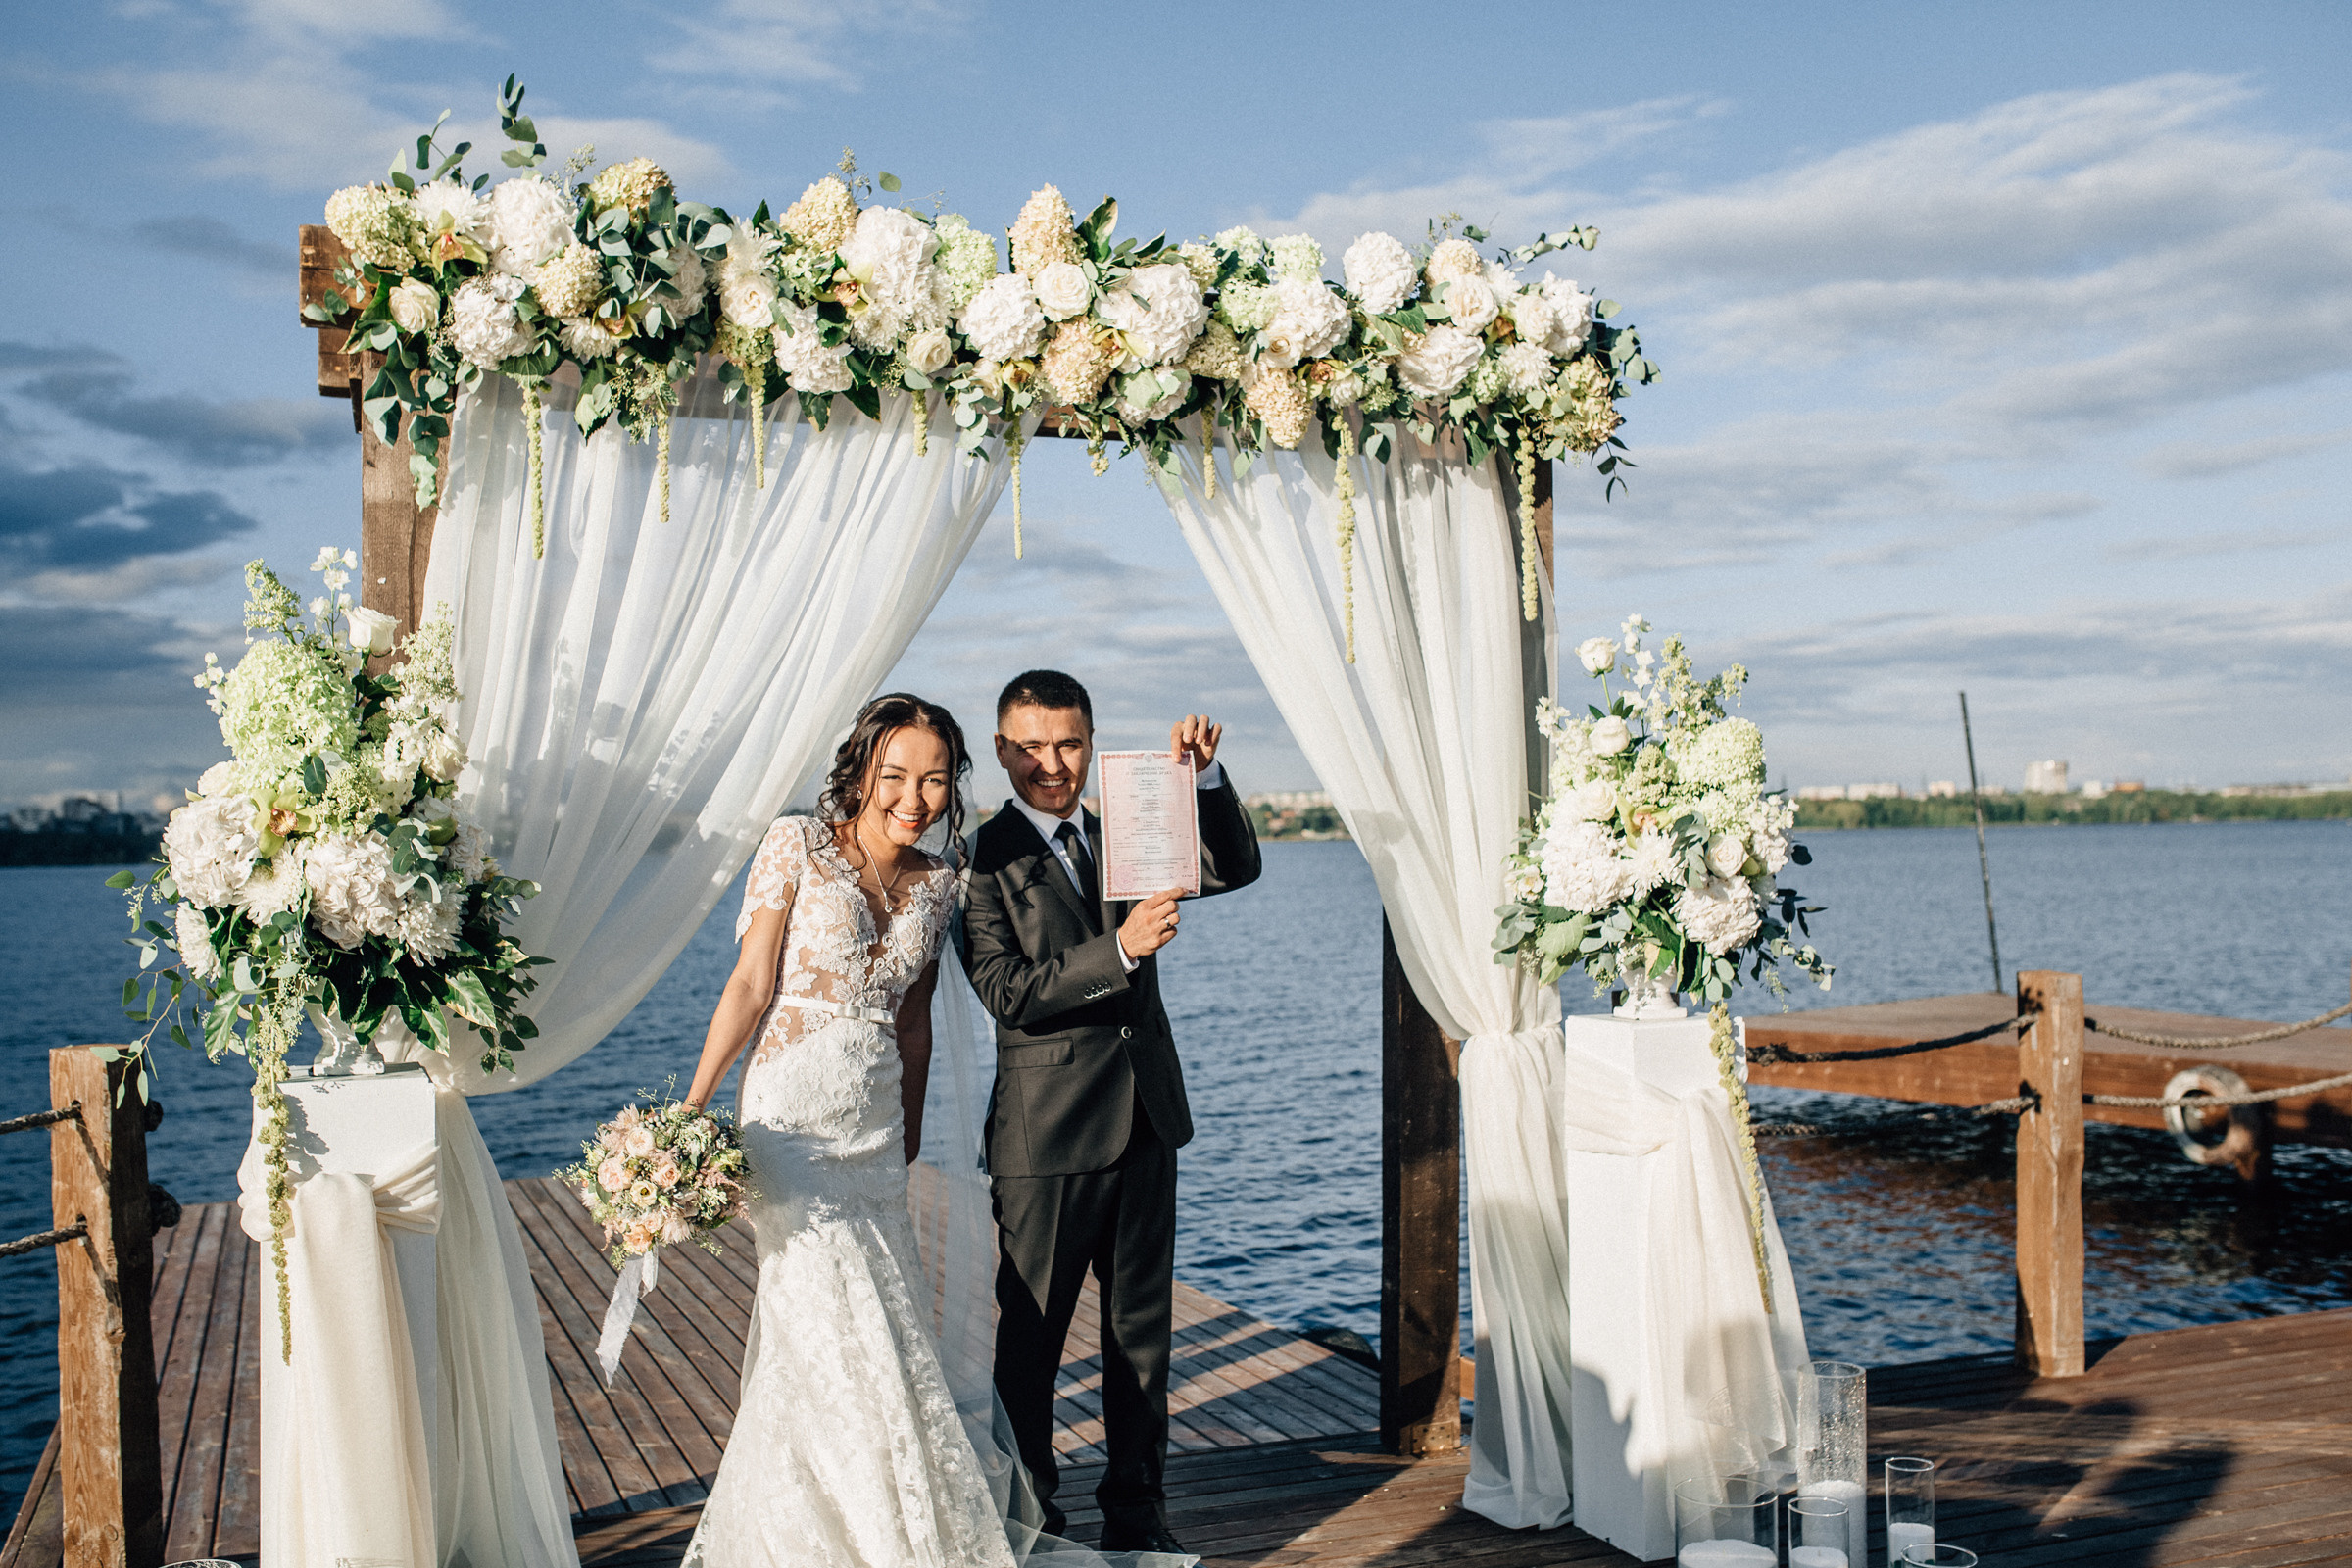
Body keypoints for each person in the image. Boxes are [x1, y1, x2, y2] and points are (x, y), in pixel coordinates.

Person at [677, 692, 1015, 1568]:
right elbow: (751, 984)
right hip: (789, 1123)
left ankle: (848, 1521)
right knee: (828, 1311)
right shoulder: (796, 844)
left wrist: (908, 1134)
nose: (915, 798)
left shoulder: (940, 884)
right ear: (862, 772)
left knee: (882, 1319)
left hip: (875, 1133)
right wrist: (692, 1108)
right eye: (895, 775)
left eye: (935, 780)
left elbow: (914, 1023)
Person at [961, 670, 1263, 1554]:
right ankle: (1031, 1520)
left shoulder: (1130, 828)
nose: (1052, 764)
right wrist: (1120, 950)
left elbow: (1234, 867)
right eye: (1031, 747)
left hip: (1147, 1118)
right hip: (1045, 1138)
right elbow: (1006, 991)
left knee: (1142, 1337)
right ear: (1001, 750)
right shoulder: (979, 861)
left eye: (1069, 744)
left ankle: (1138, 1516)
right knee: (1032, 1344)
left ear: (1091, 743)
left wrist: (1203, 781)